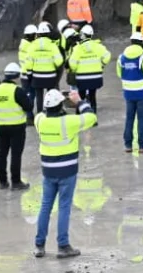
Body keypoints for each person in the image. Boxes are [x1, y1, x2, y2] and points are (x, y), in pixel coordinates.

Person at [33, 88, 97, 259]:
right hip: (67, 170)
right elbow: (91, 117)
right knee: (64, 207)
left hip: (48, 170)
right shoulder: (69, 122)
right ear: (60, 106)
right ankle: (63, 245)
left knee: (46, 206)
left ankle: (39, 245)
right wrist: (78, 101)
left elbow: (42, 113)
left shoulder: (39, 120)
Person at [0, 63, 33, 190]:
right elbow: (29, 107)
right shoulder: (17, 91)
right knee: (16, 154)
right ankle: (16, 181)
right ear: (16, 77)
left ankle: (2, 181)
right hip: (17, 126)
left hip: (1, 125)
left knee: (2, 153)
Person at [117, 37, 143, 154]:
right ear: (142, 43)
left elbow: (120, 73)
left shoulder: (121, 58)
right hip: (142, 92)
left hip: (128, 92)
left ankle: (128, 144)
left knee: (129, 117)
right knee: (141, 118)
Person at [68, 25, 110, 112]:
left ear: (82, 35)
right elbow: (107, 56)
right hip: (95, 77)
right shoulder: (98, 46)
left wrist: (76, 69)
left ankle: (80, 115)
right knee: (92, 95)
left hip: (81, 78)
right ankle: (93, 115)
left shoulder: (77, 48)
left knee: (81, 97)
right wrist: (101, 64)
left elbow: (72, 63)